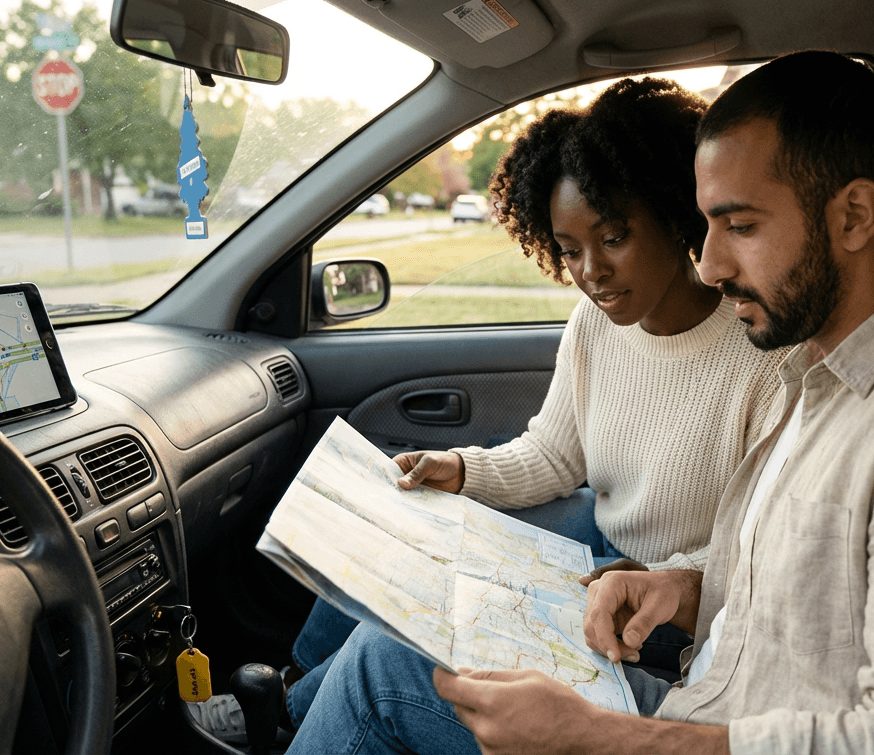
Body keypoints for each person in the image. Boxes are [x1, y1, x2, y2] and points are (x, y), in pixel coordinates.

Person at [285, 50, 874, 755]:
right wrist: (684, 588)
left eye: (739, 226)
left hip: (693, 730)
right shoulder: (827, 375)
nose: (710, 264)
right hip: (701, 700)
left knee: (380, 679)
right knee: (396, 652)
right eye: (707, 226)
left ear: (855, 215)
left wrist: (600, 739)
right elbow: (803, 594)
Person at [191, 76, 788, 742]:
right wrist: (460, 470)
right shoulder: (595, 324)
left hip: (664, 610)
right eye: (569, 250)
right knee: (409, 512)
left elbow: (761, 558)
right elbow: (554, 455)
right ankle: (293, 695)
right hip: (602, 547)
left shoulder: (762, 353)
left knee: (395, 649)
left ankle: (302, 714)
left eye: (614, 237)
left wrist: (665, 583)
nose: (590, 271)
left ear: (677, 215)